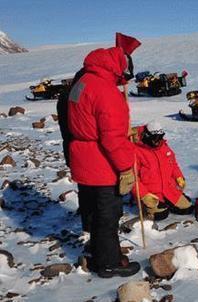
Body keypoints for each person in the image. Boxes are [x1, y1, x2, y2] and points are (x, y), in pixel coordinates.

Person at [67, 33, 141, 278]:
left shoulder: (83, 82)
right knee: (108, 215)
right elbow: (112, 139)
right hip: (102, 164)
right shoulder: (106, 91)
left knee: (94, 211)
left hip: (83, 158)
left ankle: (98, 251)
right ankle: (109, 263)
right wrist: (126, 166)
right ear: (118, 65)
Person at [131, 121, 193, 221]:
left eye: (160, 137)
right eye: (155, 138)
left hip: (168, 189)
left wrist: (179, 177)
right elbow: (132, 179)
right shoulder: (136, 151)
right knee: (161, 215)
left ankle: (170, 201)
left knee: (187, 209)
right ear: (146, 136)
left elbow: (173, 165)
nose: (158, 141)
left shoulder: (164, 147)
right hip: (150, 194)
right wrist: (144, 195)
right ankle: (150, 206)